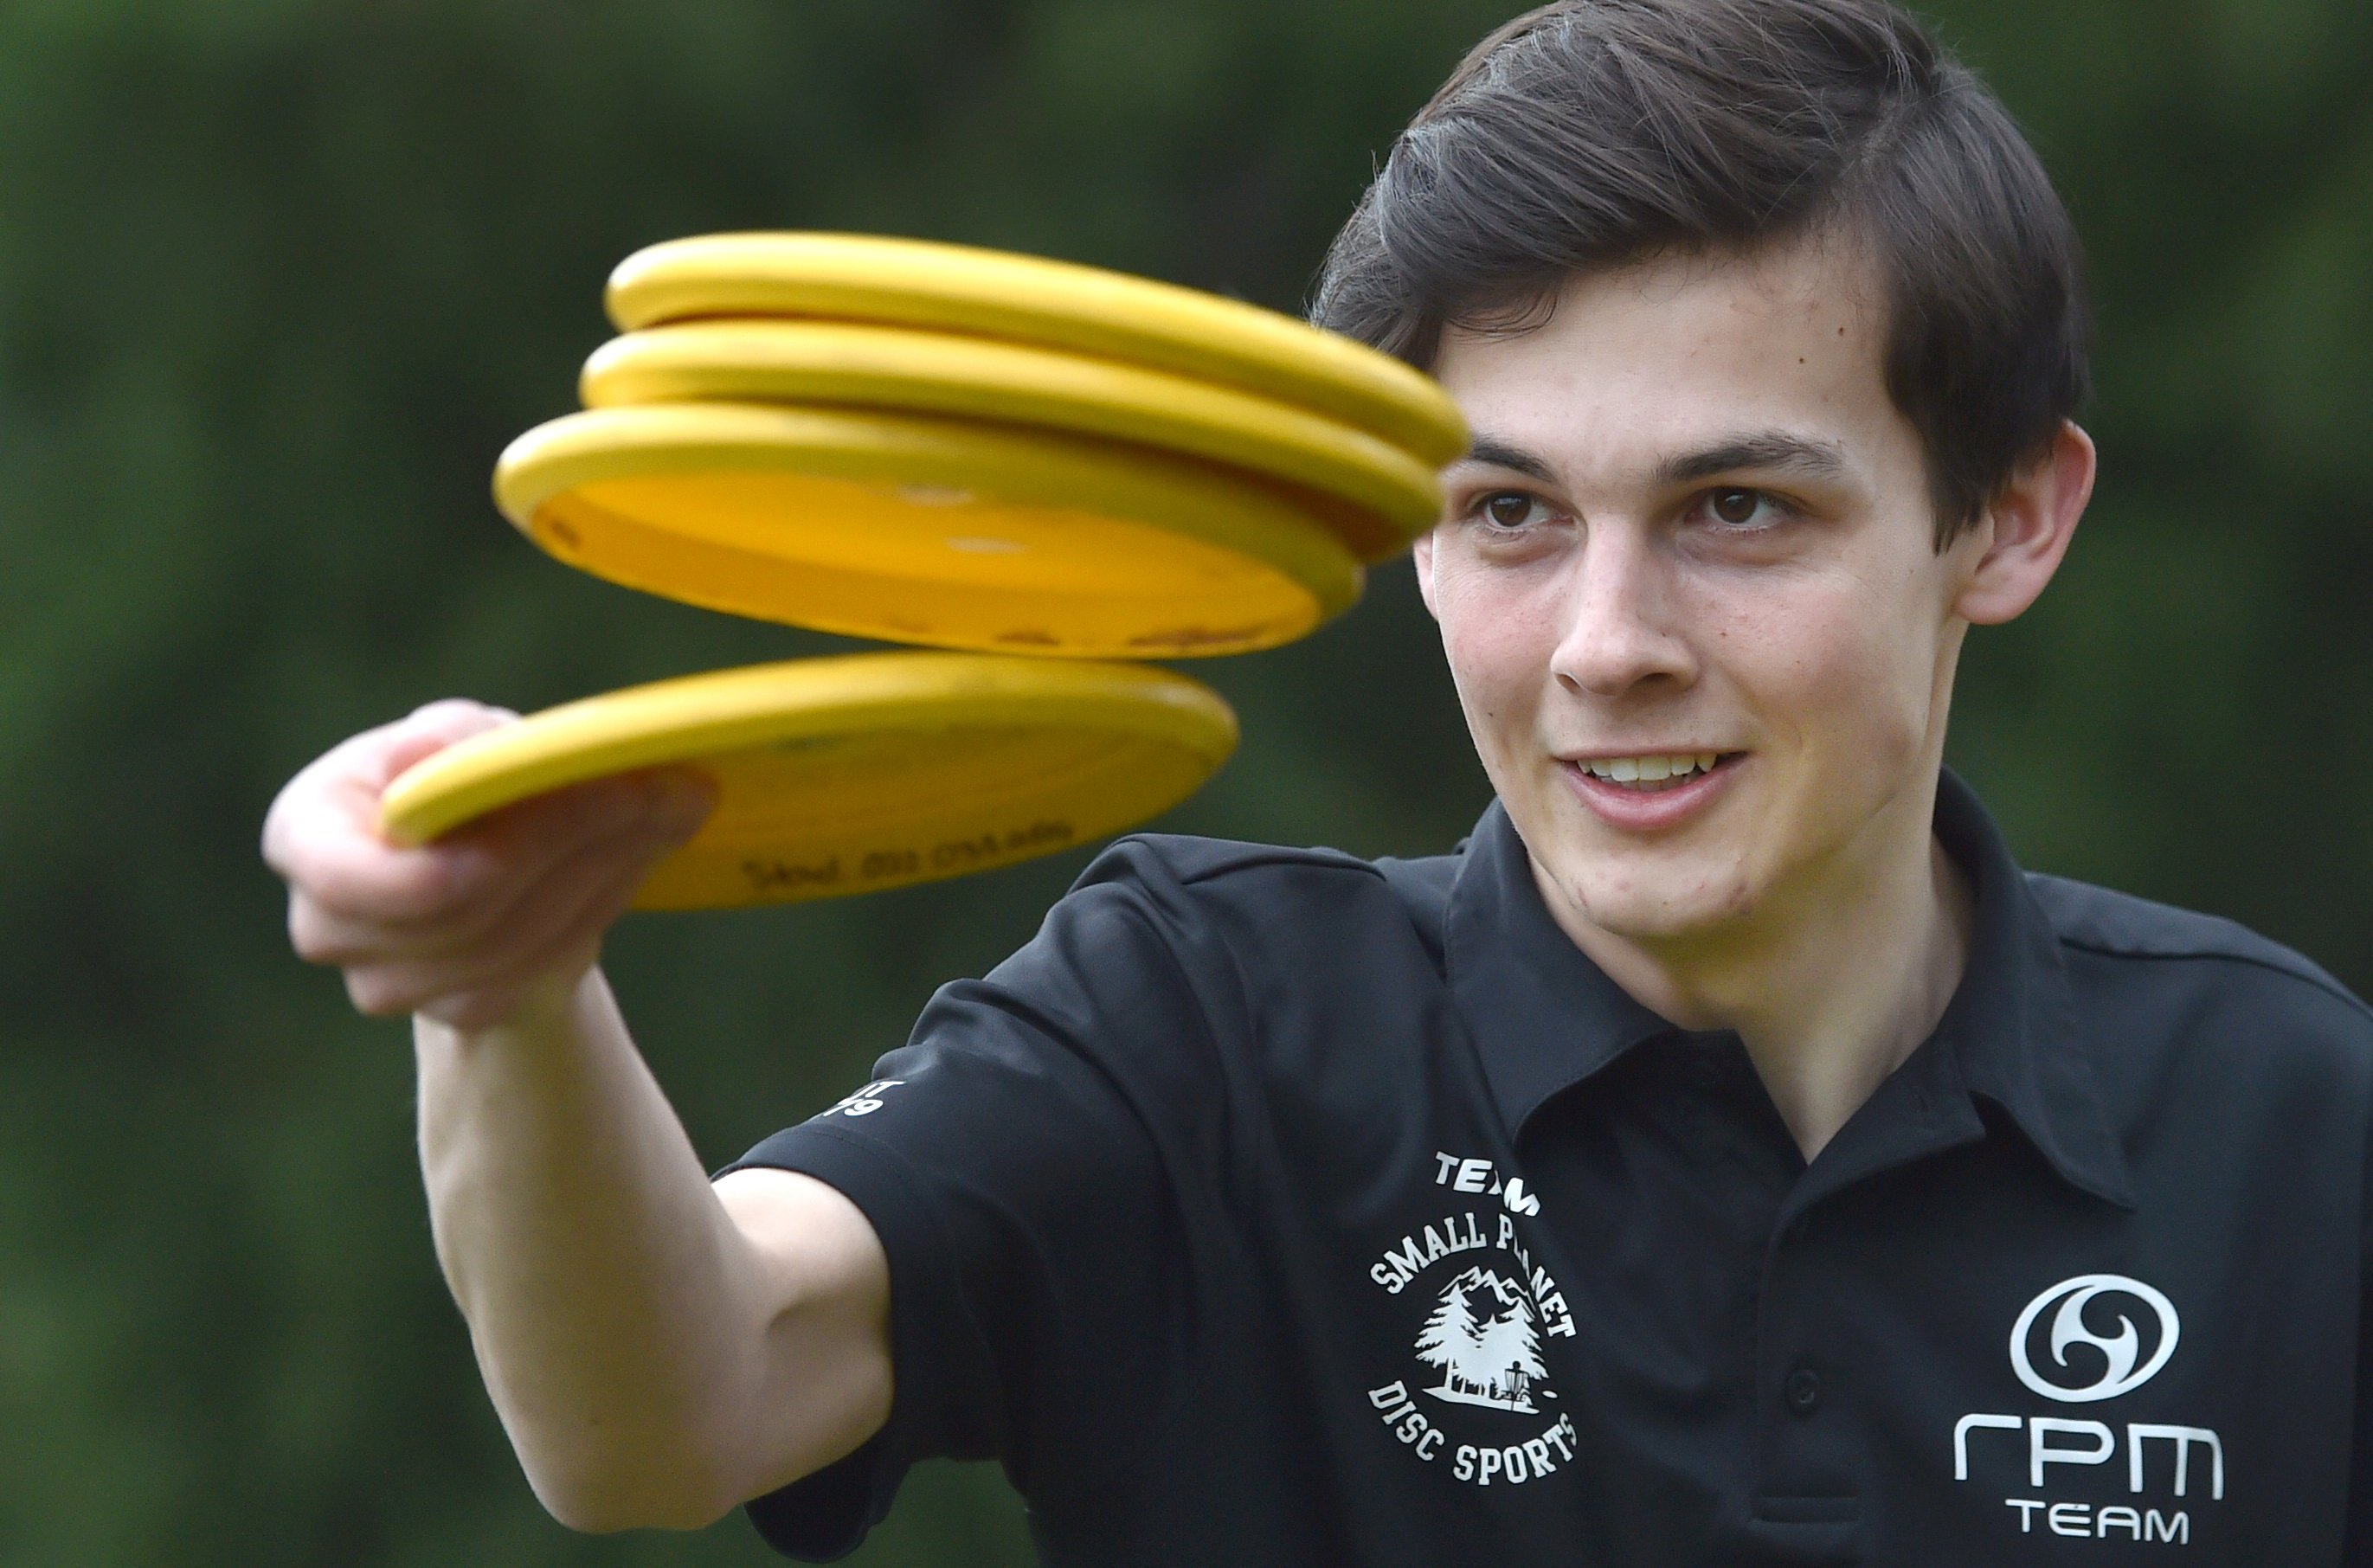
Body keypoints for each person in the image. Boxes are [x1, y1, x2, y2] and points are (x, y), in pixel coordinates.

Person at [262, 1, 2373, 1562]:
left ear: (2007, 520)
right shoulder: (1197, 1029)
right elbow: (666, 1406)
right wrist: (509, 995)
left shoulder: (2294, 1122)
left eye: (1738, 511)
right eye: (1512, 514)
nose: (1606, 641)